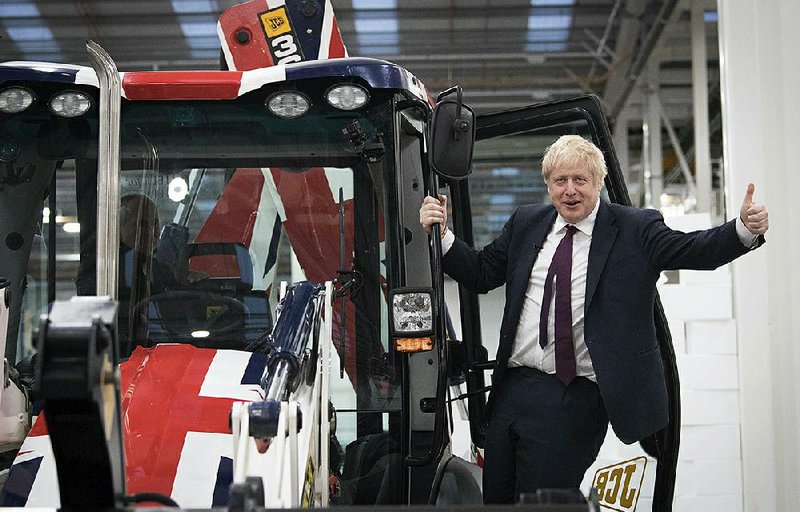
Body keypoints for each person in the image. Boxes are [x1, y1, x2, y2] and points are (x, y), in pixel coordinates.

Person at [418, 134, 769, 504]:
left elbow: (694, 249)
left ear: (598, 183)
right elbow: (481, 273)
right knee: (498, 500)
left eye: (579, 180)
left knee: (542, 503)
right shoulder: (527, 223)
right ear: (549, 185)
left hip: (576, 395)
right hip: (513, 389)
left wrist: (742, 229)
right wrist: (442, 234)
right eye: (560, 181)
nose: (570, 191)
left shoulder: (635, 228)